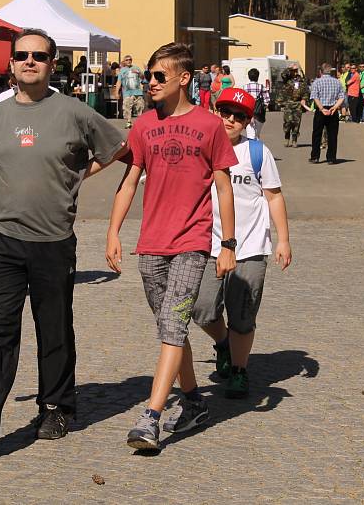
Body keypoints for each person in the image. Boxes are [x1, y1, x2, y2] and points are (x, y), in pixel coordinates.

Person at [0, 28, 127, 454]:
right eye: (22, 55)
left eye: (39, 56)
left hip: (53, 242)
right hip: (3, 242)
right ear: (11, 64)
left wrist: (76, 177)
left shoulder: (75, 113)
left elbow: (118, 149)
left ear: (52, 64)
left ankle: (56, 406)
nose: (29, 61)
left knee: (53, 328)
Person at [105, 42, 237, 450]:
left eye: (159, 76)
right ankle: (195, 400)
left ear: (184, 78)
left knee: (175, 323)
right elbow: (129, 182)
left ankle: (151, 417)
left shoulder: (210, 125)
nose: (151, 82)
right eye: (149, 76)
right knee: (169, 328)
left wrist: (228, 243)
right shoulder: (143, 125)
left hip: (192, 243)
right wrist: (113, 232)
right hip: (151, 245)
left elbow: (224, 185)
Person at [192, 87, 292, 399]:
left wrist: (283, 240)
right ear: (216, 112)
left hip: (250, 248)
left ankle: (238, 370)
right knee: (202, 308)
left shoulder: (257, 153)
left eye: (240, 116)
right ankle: (223, 343)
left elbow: (274, 197)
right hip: (209, 245)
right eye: (226, 113)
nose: (231, 120)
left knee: (242, 314)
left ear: (248, 120)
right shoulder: (201, 150)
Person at [309, 62, 345, 164]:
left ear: (321, 71)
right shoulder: (337, 82)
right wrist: (335, 107)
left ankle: (315, 157)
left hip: (321, 110)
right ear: (331, 71)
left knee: (317, 134)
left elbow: (314, 97)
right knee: (332, 135)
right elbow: (342, 97)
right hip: (333, 110)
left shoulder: (317, 82)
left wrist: (321, 108)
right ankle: (331, 158)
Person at [276, 63, 308, 147]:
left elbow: (305, 91)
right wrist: (289, 67)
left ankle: (294, 140)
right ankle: (287, 137)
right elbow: (283, 74)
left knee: (296, 123)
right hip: (288, 103)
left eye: (295, 71)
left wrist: (304, 99)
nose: (294, 72)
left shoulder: (301, 80)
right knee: (288, 122)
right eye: (292, 71)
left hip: (298, 103)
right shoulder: (287, 79)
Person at [117, 54, 145, 129]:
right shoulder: (122, 70)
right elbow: (119, 82)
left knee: (140, 107)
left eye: (130, 59)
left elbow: (143, 77)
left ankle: (140, 122)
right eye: (127, 60)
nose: (129, 61)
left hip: (137, 92)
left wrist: (139, 73)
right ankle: (128, 122)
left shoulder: (136, 68)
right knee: (127, 108)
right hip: (127, 93)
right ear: (124, 62)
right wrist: (116, 92)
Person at [243, 67, 270, 139]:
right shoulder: (262, 87)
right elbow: (267, 100)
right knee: (257, 135)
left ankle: (251, 148)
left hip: (248, 113)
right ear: (258, 77)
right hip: (259, 114)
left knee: (250, 134)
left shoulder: (245, 87)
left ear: (249, 77)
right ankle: (257, 147)